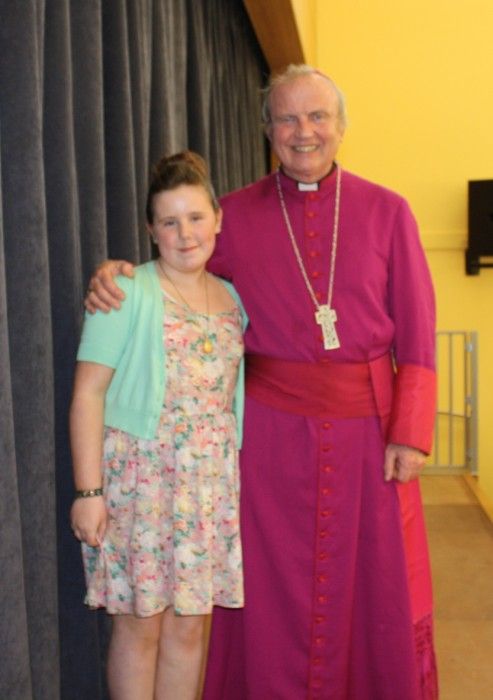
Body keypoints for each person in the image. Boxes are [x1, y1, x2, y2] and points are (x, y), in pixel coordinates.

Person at [85, 66, 438, 699]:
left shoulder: (389, 211)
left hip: (366, 435)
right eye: (286, 119)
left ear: (341, 125)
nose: (304, 132)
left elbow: (417, 331)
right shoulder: (235, 216)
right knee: (269, 596)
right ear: (267, 131)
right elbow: (177, 271)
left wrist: (409, 433)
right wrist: (116, 274)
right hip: (268, 441)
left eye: (317, 116)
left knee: (369, 587)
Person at [70, 151, 248, 700]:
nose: (185, 233)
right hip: (141, 487)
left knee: (190, 628)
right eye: (169, 222)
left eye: (195, 217)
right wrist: (89, 493)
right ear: (151, 231)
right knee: (140, 626)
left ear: (217, 219)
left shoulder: (233, 300)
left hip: (206, 491)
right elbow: (87, 394)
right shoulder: (125, 292)